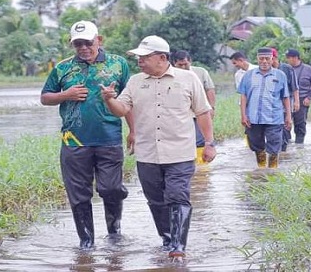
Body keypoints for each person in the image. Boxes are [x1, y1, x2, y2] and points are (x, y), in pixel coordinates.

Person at [99, 35, 216, 260]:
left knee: (178, 196)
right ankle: (167, 239)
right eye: (138, 58)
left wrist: (209, 143)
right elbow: (121, 109)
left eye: (144, 57)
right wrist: (108, 99)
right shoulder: (135, 81)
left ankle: (178, 247)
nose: (139, 61)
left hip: (180, 153)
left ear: (162, 58)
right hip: (147, 154)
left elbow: (203, 112)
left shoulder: (188, 78)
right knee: (155, 200)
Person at [40, 20, 133, 250]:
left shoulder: (119, 64)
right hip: (73, 141)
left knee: (111, 189)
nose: (83, 47)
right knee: (78, 194)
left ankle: (114, 232)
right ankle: (86, 243)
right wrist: (66, 95)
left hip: (109, 138)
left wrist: (134, 130)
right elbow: (45, 97)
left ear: (99, 40)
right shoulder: (62, 68)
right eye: (78, 43)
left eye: (88, 42)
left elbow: (130, 100)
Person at [238, 47, 291, 168]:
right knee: (256, 145)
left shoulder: (280, 75)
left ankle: (272, 172)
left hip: (274, 118)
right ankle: (261, 170)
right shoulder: (248, 76)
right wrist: (243, 115)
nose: (264, 61)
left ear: (272, 59)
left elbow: (286, 97)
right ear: (257, 59)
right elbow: (243, 96)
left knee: (274, 145)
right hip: (253, 118)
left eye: (267, 58)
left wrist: (288, 116)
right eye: (261, 58)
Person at [171, 50, 216, 165]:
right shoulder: (170, 75)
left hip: (199, 112)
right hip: (180, 115)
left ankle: (202, 170)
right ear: (174, 63)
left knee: (200, 140)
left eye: (185, 64)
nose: (183, 66)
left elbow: (209, 89)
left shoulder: (200, 72)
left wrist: (211, 107)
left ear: (190, 61)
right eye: (180, 65)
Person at [285, 48, 311, 144]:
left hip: (302, 99)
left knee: (300, 125)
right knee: (285, 124)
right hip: (288, 99)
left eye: (289, 58)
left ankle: (299, 147)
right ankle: (287, 146)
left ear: (295, 58)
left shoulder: (309, 70)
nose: (287, 60)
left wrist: (309, 97)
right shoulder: (286, 69)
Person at [271, 48, 299, 152]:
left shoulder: (287, 69)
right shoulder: (266, 70)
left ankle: (284, 152)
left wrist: (296, 102)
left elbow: (295, 87)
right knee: (274, 131)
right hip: (272, 106)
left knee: (286, 128)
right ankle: (277, 152)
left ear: (274, 58)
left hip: (286, 104)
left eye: (269, 58)